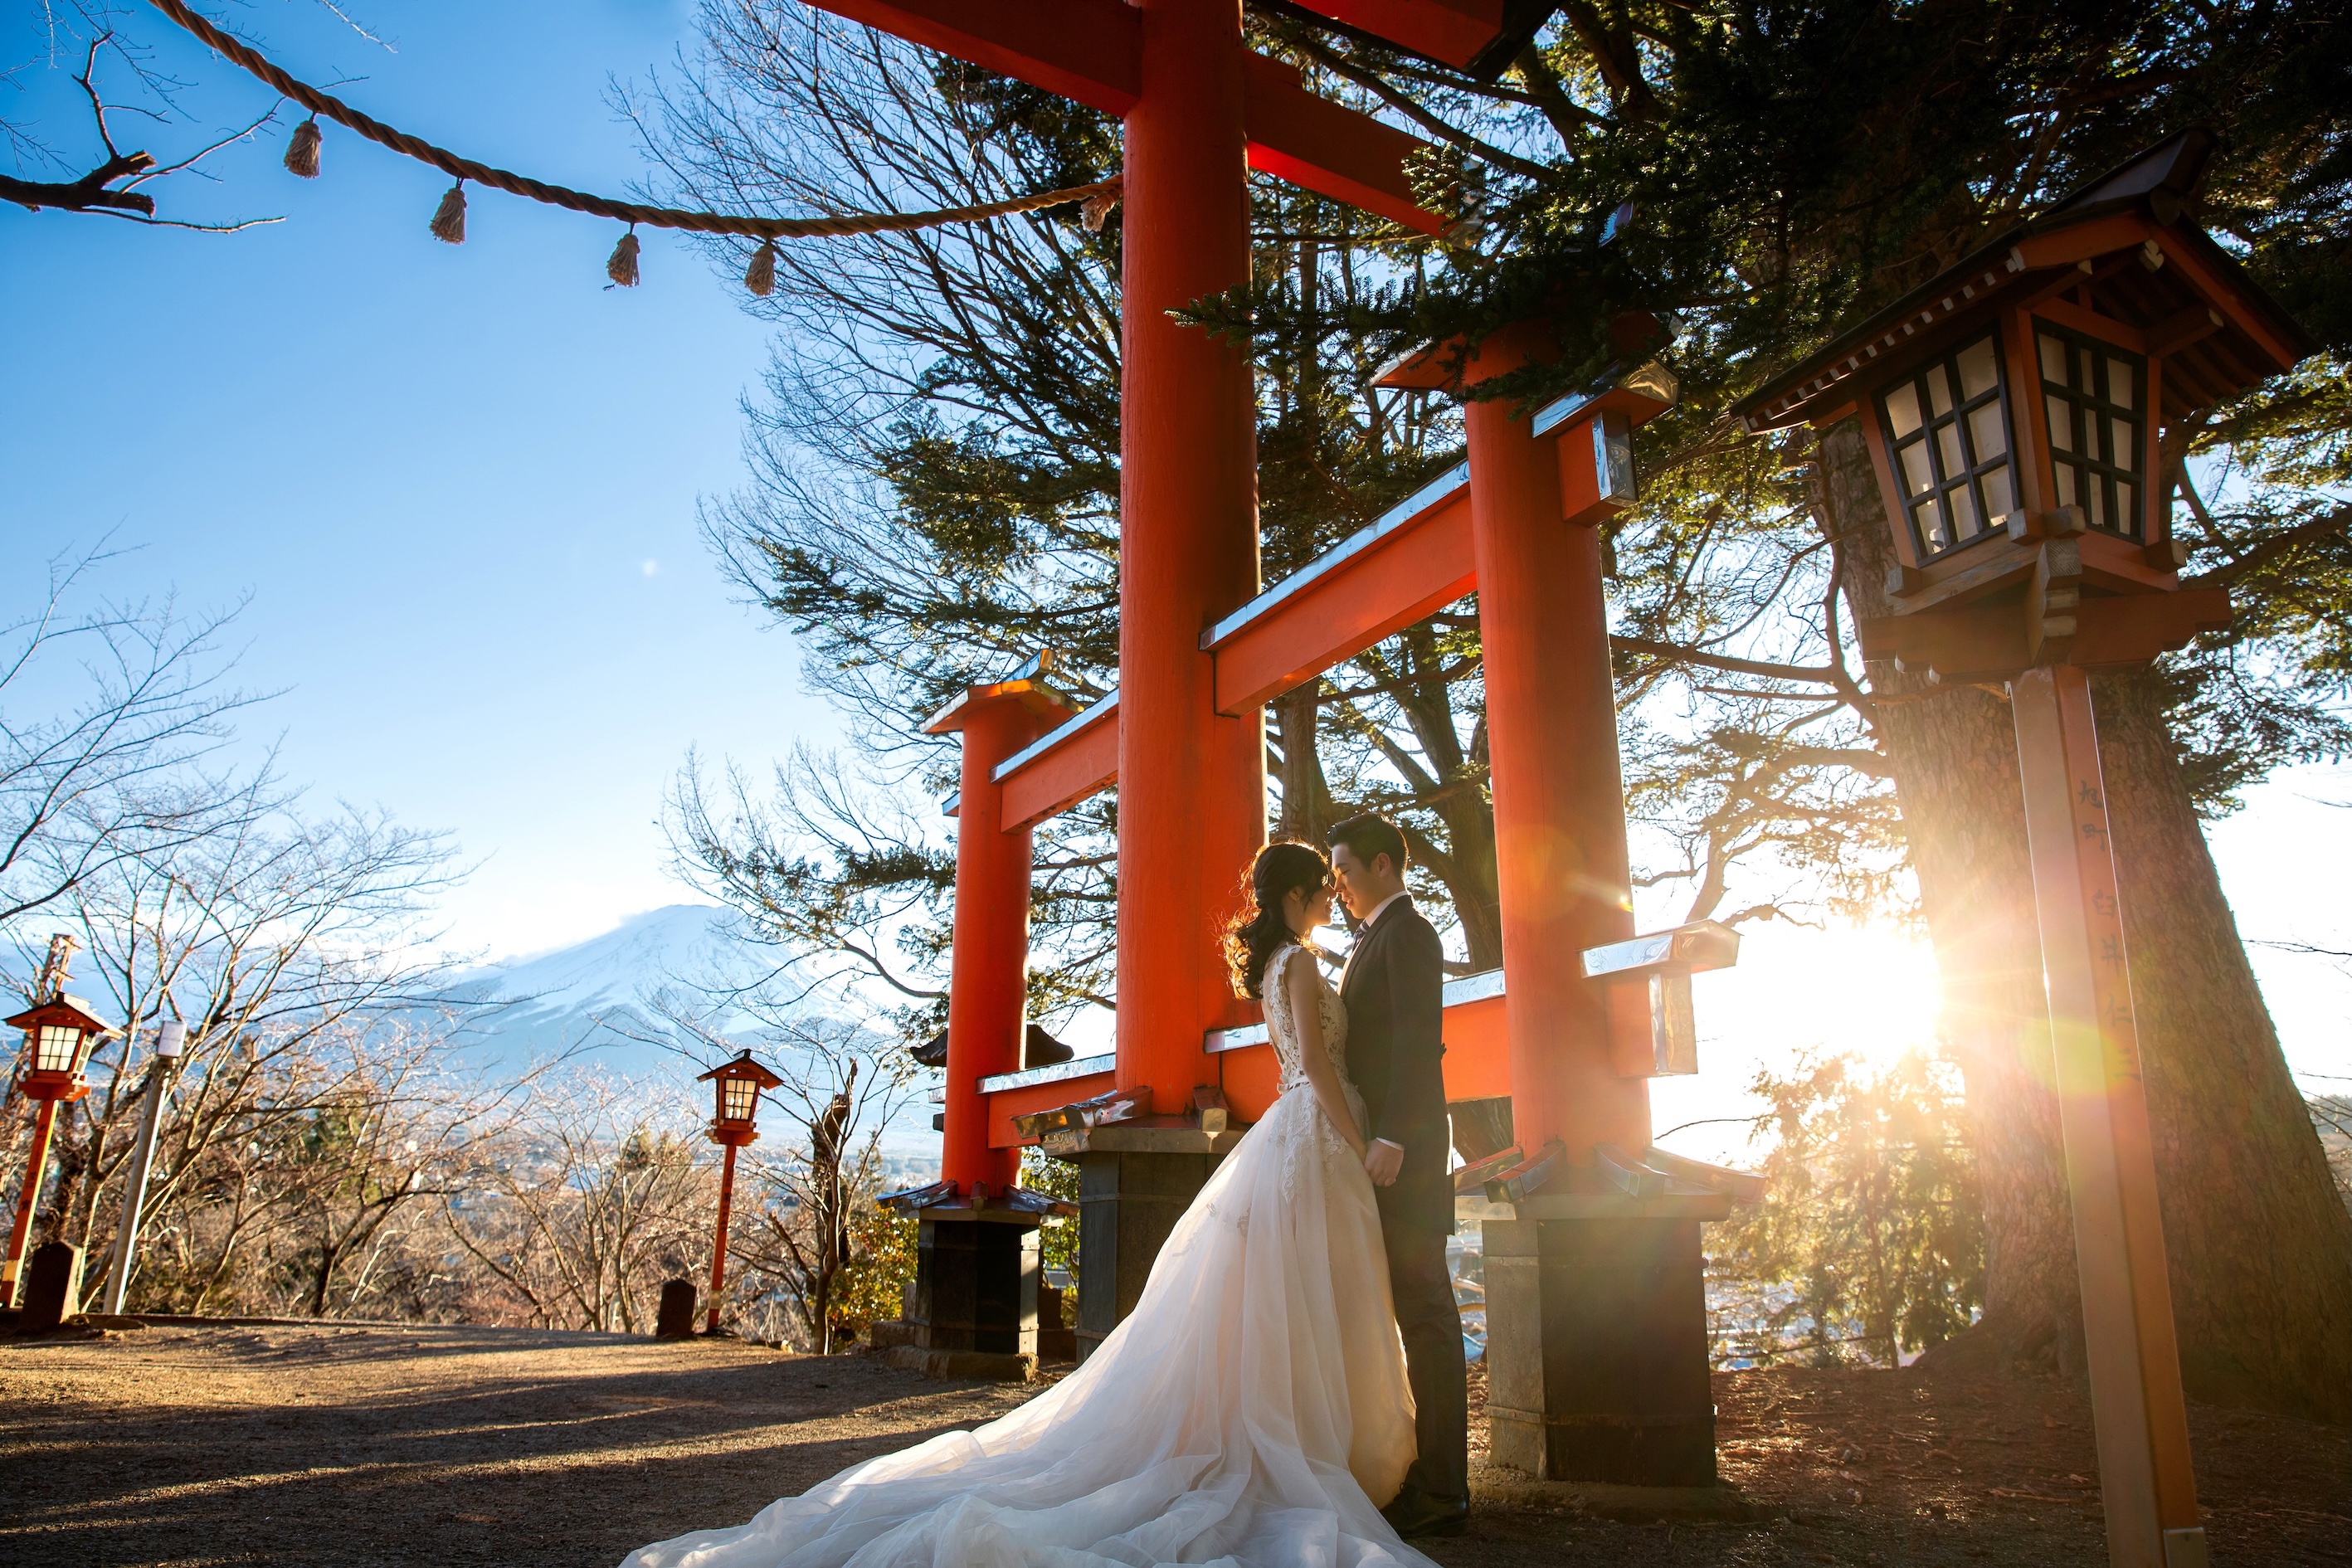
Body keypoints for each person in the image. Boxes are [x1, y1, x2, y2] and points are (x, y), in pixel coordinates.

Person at [621, 840, 1437, 1568]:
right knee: (1307, 1293)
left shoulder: (1284, 961)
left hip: (1302, 1139)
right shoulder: (1295, 963)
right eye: (1322, 886)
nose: (1334, 894)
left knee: (1305, 1293)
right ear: (1296, 895)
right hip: (1316, 1130)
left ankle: (1317, 1440)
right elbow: (1319, 1072)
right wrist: (1350, 1128)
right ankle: (1313, 1445)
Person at [1327, 812, 1470, 1540]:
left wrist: (1391, 1137)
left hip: (1402, 1161)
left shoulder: (1410, 934)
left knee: (1427, 1316)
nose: (1338, 886)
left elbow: (1419, 1043)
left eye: (1345, 871)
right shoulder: (1373, 938)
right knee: (1410, 1314)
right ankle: (1421, 1473)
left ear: (1384, 865)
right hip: (1383, 1159)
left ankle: (1444, 1490)